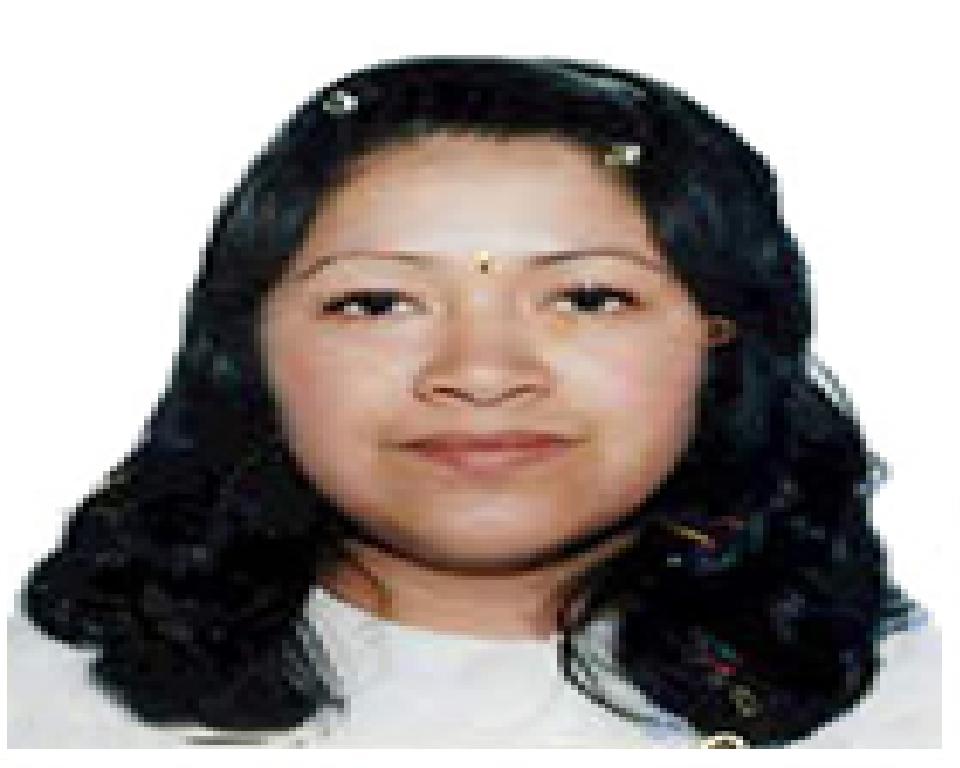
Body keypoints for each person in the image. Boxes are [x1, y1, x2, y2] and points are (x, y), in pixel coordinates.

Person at [7, 56, 940, 748]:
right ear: (245, 352)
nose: (482, 373)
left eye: (588, 298)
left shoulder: (908, 712)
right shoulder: (43, 708)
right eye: (378, 302)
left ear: (723, 341)